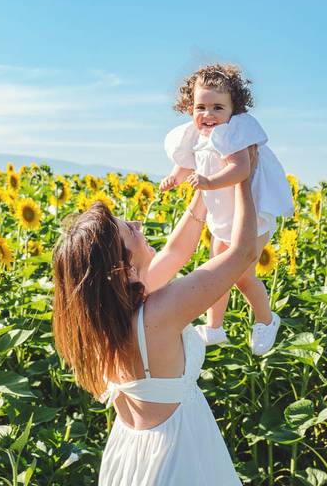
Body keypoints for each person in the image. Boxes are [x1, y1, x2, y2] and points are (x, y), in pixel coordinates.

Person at [52, 146, 263, 486]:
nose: (138, 224)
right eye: (130, 231)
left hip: (131, 456)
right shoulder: (160, 312)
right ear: (122, 268)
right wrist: (244, 178)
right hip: (179, 457)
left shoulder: (108, 316)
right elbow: (244, 253)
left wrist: (206, 193)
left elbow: (177, 251)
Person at [160, 63, 293, 354]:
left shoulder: (235, 135)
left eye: (217, 108)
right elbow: (185, 163)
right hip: (223, 216)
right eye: (200, 107)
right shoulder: (195, 135)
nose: (208, 115)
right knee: (214, 271)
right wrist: (174, 177)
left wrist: (209, 181)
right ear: (189, 106)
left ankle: (267, 320)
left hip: (251, 218)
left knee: (241, 275)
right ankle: (214, 327)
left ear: (234, 109)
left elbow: (240, 169)